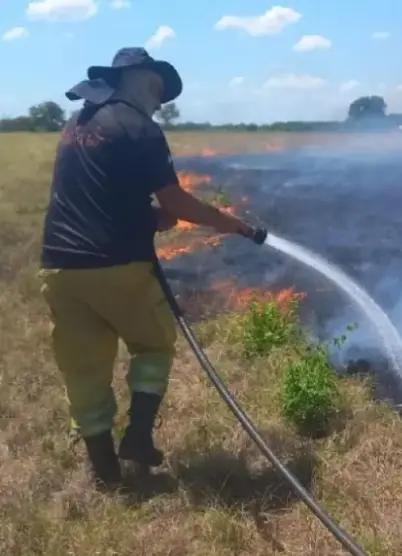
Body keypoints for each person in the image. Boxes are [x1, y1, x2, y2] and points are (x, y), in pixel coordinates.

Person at [38, 47, 262, 490]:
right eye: (159, 87)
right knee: (155, 344)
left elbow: (95, 194)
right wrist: (233, 225)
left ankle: (105, 471)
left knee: (83, 368)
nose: (161, 100)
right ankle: (139, 436)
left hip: (60, 268)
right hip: (117, 263)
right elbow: (176, 201)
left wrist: (149, 218)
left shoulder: (77, 123)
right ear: (138, 77)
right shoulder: (141, 128)